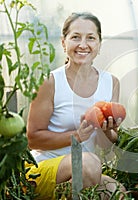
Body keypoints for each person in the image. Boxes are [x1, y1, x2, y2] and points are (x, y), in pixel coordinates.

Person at [26, 12, 125, 199]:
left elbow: (105, 147)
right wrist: (76, 136)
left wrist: (108, 131)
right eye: (75, 37)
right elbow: (33, 139)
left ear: (99, 44)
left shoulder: (111, 83)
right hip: (44, 169)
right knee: (87, 164)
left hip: (86, 172)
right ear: (64, 42)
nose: (83, 44)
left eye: (91, 38)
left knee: (116, 192)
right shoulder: (50, 82)